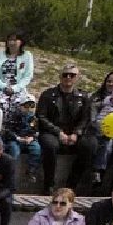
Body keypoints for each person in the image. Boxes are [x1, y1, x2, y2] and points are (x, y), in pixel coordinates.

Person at [37, 65, 94, 193]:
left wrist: (76, 133)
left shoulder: (84, 97)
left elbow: (86, 119)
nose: (68, 77)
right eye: (65, 74)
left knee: (90, 145)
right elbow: (41, 117)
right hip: (52, 132)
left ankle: (71, 185)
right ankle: (49, 185)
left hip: (74, 133)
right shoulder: (47, 95)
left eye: (72, 75)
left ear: (77, 77)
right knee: (50, 145)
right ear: (60, 76)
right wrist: (58, 132)